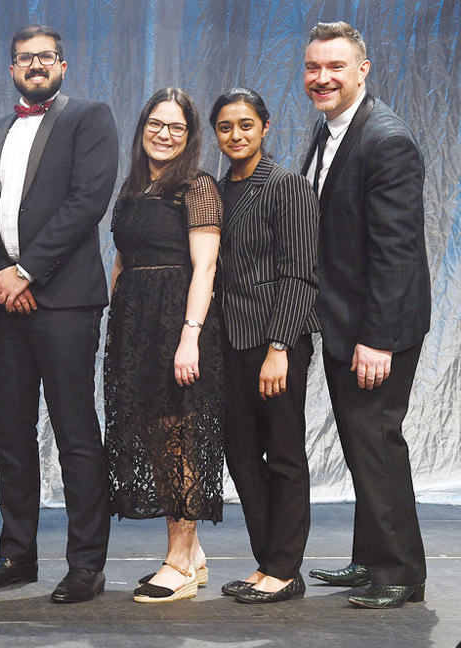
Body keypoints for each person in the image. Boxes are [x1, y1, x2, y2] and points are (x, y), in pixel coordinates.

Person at [0, 24, 118, 604]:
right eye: (25, 58)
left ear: (62, 65)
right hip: (2, 302)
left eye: (46, 57)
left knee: (76, 432)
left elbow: (88, 202)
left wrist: (25, 271)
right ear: (11, 69)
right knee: (11, 434)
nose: (36, 65)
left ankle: (86, 563)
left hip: (64, 301)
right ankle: (16, 554)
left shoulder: (89, 116)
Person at [300, 21, 430, 609]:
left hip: (377, 329)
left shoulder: (386, 138)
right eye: (312, 67)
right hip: (344, 322)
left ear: (363, 71)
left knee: (376, 442)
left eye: (334, 68)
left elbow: (396, 251)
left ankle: (401, 571)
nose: (321, 78)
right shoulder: (330, 131)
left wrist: (376, 338)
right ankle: (369, 558)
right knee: (360, 445)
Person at [105, 88, 224, 604]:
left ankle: (179, 558)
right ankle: (191, 555)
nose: (164, 134)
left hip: (177, 320)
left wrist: (189, 337)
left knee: (178, 436)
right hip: (134, 324)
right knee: (154, 435)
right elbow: (122, 261)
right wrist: (112, 319)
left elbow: (205, 266)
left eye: (176, 127)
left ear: (189, 136)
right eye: (157, 123)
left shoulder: (196, 188)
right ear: (143, 127)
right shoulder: (131, 190)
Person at [210, 87, 320, 604]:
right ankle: (265, 562)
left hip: (275, 341)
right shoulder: (214, 189)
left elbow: (300, 274)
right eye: (226, 126)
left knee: (283, 455)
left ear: (266, 127)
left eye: (246, 125)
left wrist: (280, 346)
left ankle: (285, 569)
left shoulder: (286, 186)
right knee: (241, 455)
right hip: (228, 343)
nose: (236, 135)